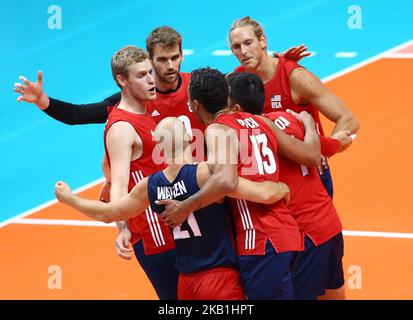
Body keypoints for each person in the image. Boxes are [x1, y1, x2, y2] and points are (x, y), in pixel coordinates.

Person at [55, 116, 291, 300]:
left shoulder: (151, 185)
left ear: (159, 146)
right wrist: (282, 188)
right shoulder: (206, 173)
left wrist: (70, 198)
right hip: (220, 280)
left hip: (186, 284)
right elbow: (263, 194)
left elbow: (108, 213)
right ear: (189, 137)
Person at [158, 67, 321, 300]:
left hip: (259, 238)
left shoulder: (218, 129)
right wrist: (309, 123)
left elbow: (226, 180)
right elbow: (312, 155)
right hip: (286, 233)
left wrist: (186, 206)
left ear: (195, 105)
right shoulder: (259, 121)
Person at [226, 72, 349, 299]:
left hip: (305, 233)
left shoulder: (249, 134)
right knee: (334, 292)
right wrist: (313, 127)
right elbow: (325, 146)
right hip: (328, 224)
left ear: (235, 108)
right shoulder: (289, 117)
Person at [228, 16, 360, 197]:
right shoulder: (236, 81)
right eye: (236, 47)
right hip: (269, 181)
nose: (243, 51)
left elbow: (348, 118)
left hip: (307, 180)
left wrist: (328, 147)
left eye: (248, 43)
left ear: (263, 41)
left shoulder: (295, 77)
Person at [100, 45, 178, 299]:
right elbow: (119, 187)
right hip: (154, 236)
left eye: (150, 73)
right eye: (142, 76)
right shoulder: (122, 127)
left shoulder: (145, 113)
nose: (152, 80)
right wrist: (122, 228)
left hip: (173, 227)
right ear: (122, 81)